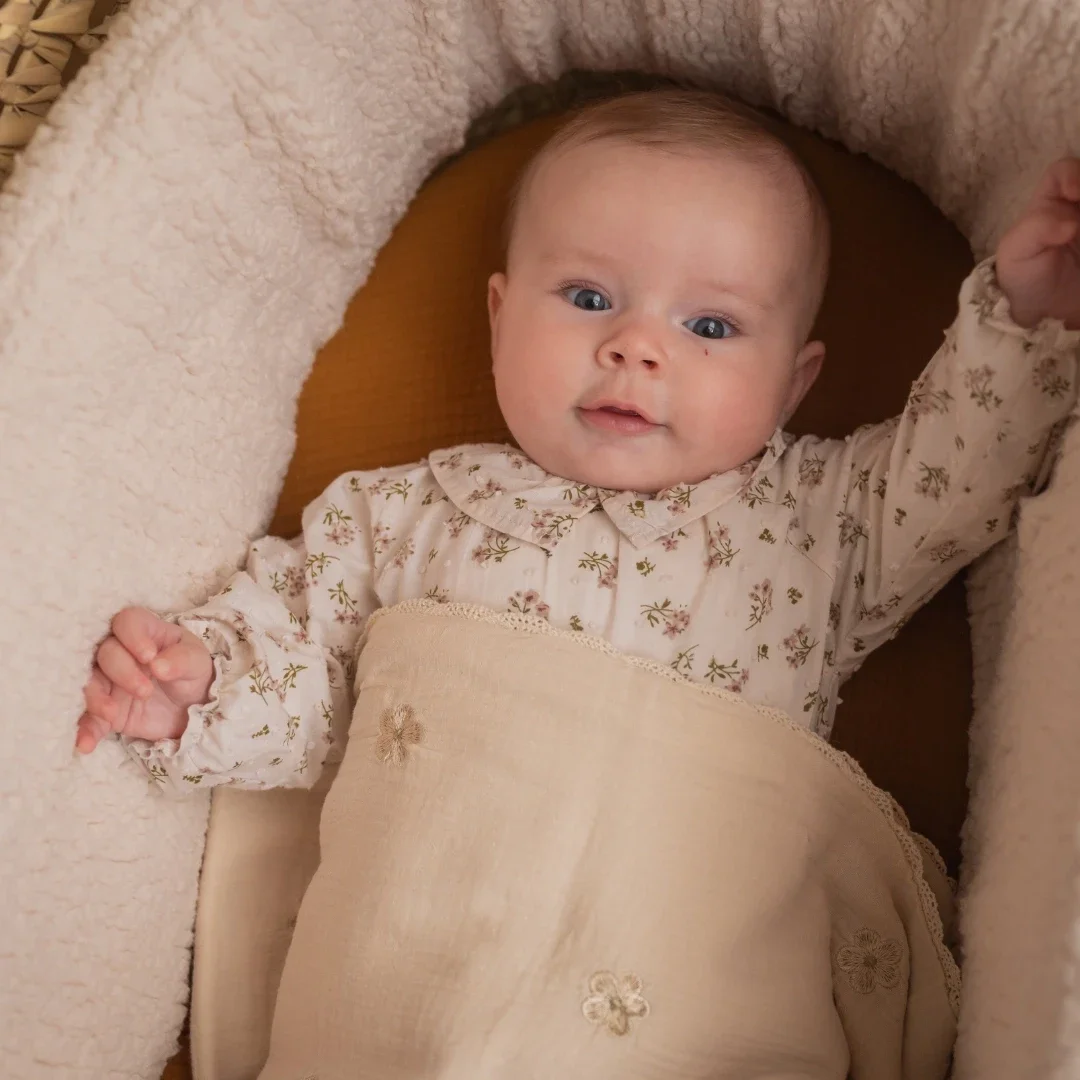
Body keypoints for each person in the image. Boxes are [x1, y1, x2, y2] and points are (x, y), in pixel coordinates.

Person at [75, 90, 1080, 794]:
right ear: (500, 318)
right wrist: (199, 691)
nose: (636, 347)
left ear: (793, 385)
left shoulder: (824, 524)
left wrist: (1029, 313)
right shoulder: (403, 518)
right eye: (590, 298)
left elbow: (965, 465)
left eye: (711, 325)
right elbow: (308, 690)